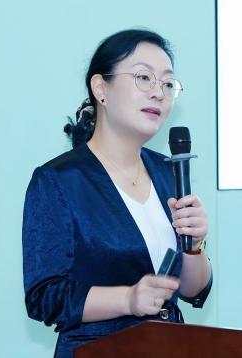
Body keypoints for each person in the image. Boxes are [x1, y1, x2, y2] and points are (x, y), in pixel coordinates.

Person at [22, 29, 212, 358]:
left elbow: (193, 291)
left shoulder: (167, 171)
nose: (159, 93)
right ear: (101, 88)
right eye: (144, 78)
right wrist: (128, 299)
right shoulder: (59, 180)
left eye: (168, 84)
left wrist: (194, 247)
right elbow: (45, 297)